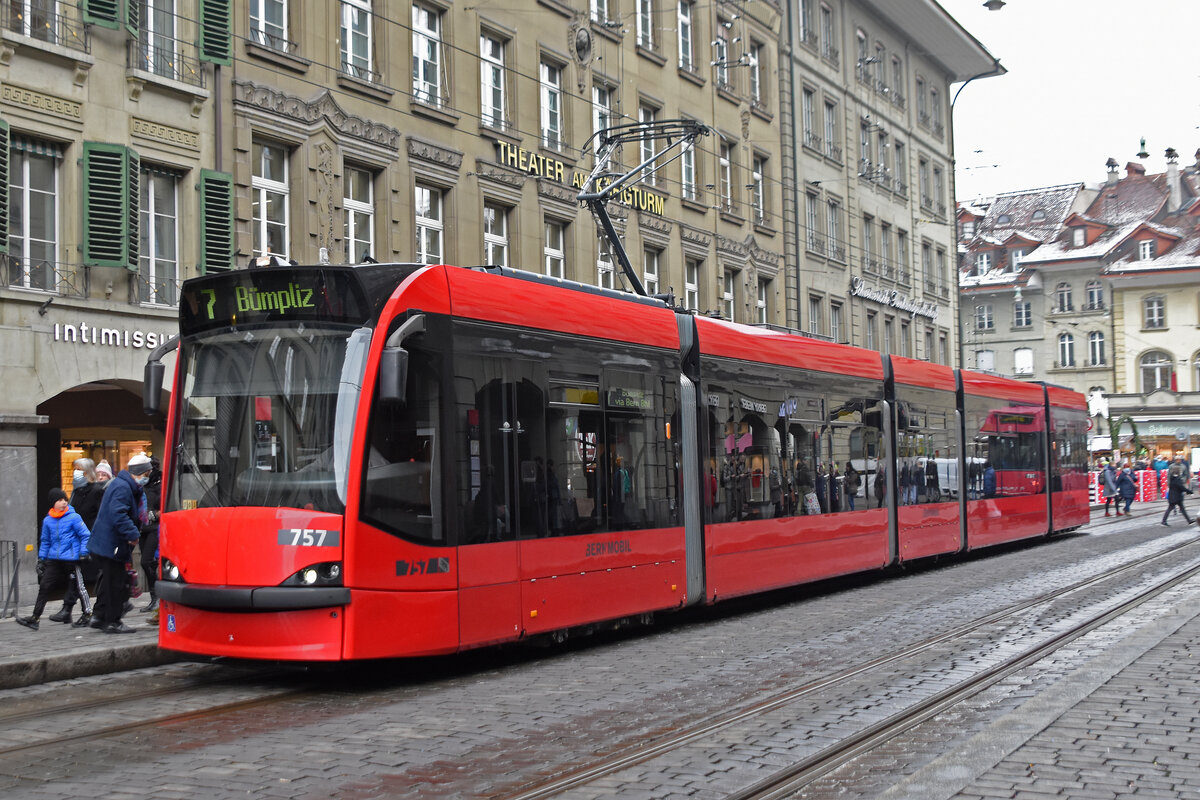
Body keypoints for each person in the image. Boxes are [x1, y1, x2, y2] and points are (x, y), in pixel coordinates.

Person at [87, 454, 152, 634]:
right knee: (115, 583)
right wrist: (132, 533)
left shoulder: (122, 485)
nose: (147, 478)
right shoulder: (123, 487)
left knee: (111, 581)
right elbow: (118, 514)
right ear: (140, 473)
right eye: (146, 473)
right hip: (112, 544)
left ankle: (100, 616)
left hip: (108, 544)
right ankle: (113, 621)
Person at [16, 489, 91, 630]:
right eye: (60, 500)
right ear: (53, 503)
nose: (63, 502)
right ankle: (35, 618)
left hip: (71, 558)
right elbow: (45, 541)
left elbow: (85, 535)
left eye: (65, 500)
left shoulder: (74, 517)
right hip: (54, 559)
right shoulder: (48, 520)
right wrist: (41, 559)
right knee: (44, 586)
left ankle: (87, 614)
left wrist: (83, 553)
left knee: (79, 586)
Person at [138, 457, 163, 613]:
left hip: (154, 527)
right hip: (142, 528)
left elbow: (165, 506)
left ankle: (157, 597)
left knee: (146, 561)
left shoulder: (161, 484)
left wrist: (153, 515)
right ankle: (155, 596)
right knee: (147, 562)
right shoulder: (141, 485)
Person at [1162, 458, 1194, 526]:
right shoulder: (1177, 480)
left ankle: (1189, 521)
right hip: (1177, 497)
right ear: (1178, 472)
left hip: (1173, 496)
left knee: (1178, 509)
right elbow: (1181, 488)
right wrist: (1189, 491)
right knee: (1179, 509)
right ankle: (1164, 521)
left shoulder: (1172, 478)